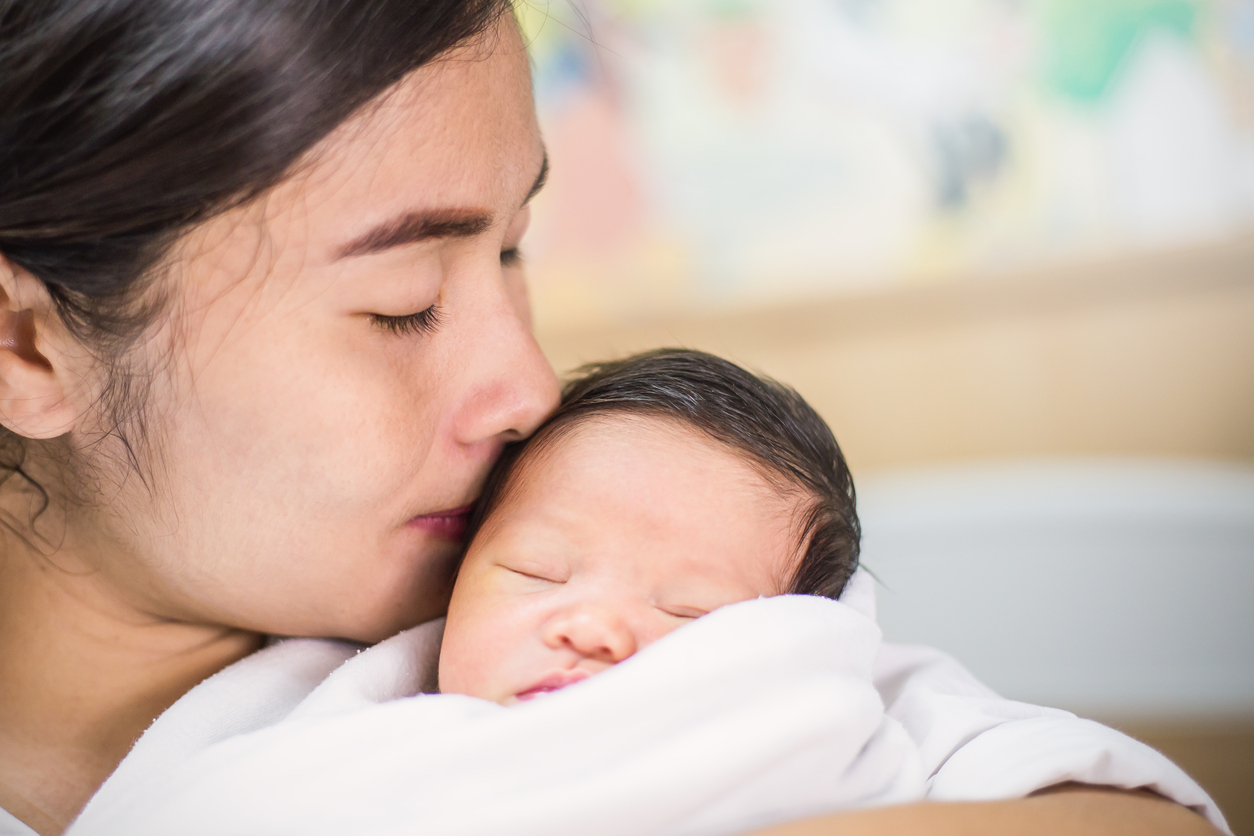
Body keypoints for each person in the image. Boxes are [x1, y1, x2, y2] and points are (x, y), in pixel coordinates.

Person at [0, 2, 1225, 835]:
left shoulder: (559, 600)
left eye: (518, 248)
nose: (531, 388)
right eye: (403, 304)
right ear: (27, 345)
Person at [439, 348, 863, 703]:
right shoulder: (382, 744)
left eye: (686, 612)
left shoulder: (808, 767)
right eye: (536, 571)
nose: (591, 632)